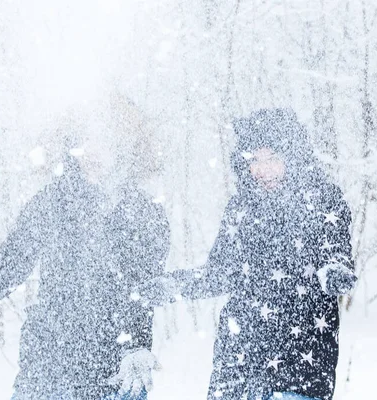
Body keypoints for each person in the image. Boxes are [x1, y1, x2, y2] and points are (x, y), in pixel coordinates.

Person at [0, 128, 170, 399]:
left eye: (105, 140)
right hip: (49, 363)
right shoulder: (53, 203)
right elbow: (9, 264)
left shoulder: (143, 211)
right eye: (85, 140)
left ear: (123, 148)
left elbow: (145, 288)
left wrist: (136, 343)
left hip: (116, 365)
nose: (93, 152)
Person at [153, 108, 357, 400]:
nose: (264, 170)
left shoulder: (323, 200)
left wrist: (335, 270)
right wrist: (173, 285)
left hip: (299, 362)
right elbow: (220, 273)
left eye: (273, 158)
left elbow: (334, 250)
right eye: (255, 160)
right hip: (239, 362)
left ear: (293, 156)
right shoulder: (240, 207)